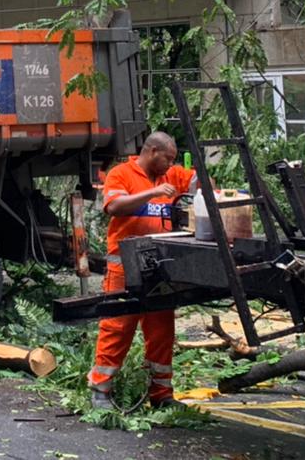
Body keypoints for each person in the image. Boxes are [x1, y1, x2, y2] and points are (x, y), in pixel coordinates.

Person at [88, 131, 197, 409]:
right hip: (125, 266)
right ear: (152, 152)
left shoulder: (170, 176)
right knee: (117, 327)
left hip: (160, 267)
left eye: (174, 160)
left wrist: (202, 180)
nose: (170, 165)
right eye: (167, 159)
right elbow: (113, 206)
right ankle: (100, 390)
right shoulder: (121, 173)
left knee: (162, 330)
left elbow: (199, 181)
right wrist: (153, 193)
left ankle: (162, 395)